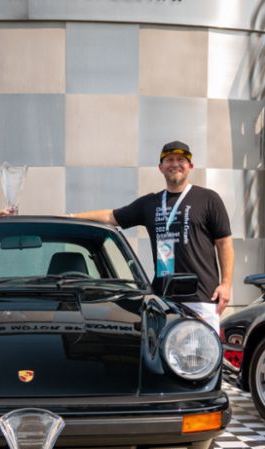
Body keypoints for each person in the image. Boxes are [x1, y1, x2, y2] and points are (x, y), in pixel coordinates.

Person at [71, 140, 234, 330]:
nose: (175, 164)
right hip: (163, 299)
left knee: (202, 356)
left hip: (202, 298)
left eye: (181, 159)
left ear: (190, 166)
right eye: (169, 160)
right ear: (161, 167)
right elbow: (111, 216)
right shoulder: (150, 203)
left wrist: (226, 284)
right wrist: (71, 217)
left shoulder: (208, 199)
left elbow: (224, 243)